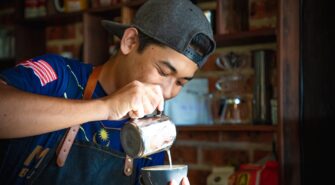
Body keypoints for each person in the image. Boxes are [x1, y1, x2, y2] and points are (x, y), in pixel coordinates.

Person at [0, 0, 215, 184]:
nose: (168, 92)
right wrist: (106, 106)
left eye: (181, 83)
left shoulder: (149, 136)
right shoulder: (60, 76)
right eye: (162, 71)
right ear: (130, 42)